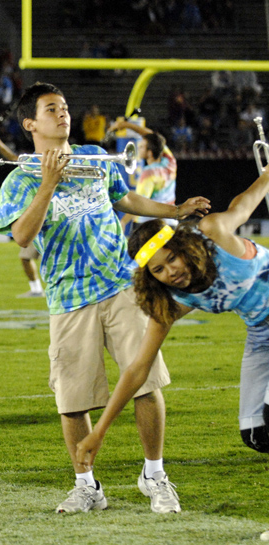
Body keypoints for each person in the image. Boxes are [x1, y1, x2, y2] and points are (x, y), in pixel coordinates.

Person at [0, 82, 210, 514]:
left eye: (65, 107)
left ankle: (154, 475)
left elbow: (124, 197)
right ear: (30, 123)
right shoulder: (19, 179)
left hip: (120, 286)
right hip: (68, 297)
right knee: (73, 400)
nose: (63, 114)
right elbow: (21, 235)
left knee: (145, 382)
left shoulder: (95, 156)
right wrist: (48, 185)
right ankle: (87, 486)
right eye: (51, 109)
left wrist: (174, 210)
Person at [77, 168, 269, 472]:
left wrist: (268, 174)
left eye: (171, 259)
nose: (171, 272)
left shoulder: (214, 232)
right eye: (158, 271)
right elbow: (137, 369)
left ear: (182, 247)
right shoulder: (173, 300)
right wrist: (99, 431)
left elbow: (243, 206)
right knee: (258, 435)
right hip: (262, 334)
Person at [0, 127, 44, 298]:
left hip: (46, 219)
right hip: (40, 219)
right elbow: (12, 157)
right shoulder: (34, 160)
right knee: (27, 257)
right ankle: (36, 290)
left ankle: (38, 290)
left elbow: (12, 157)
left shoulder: (40, 161)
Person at [112, 120, 177, 230]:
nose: (138, 149)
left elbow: (139, 204)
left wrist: (123, 221)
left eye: (142, 147)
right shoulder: (170, 162)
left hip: (149, 226)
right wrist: (126, 125)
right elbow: (153, 138)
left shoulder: (149, 173)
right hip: (170, 222)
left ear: (150, 152)